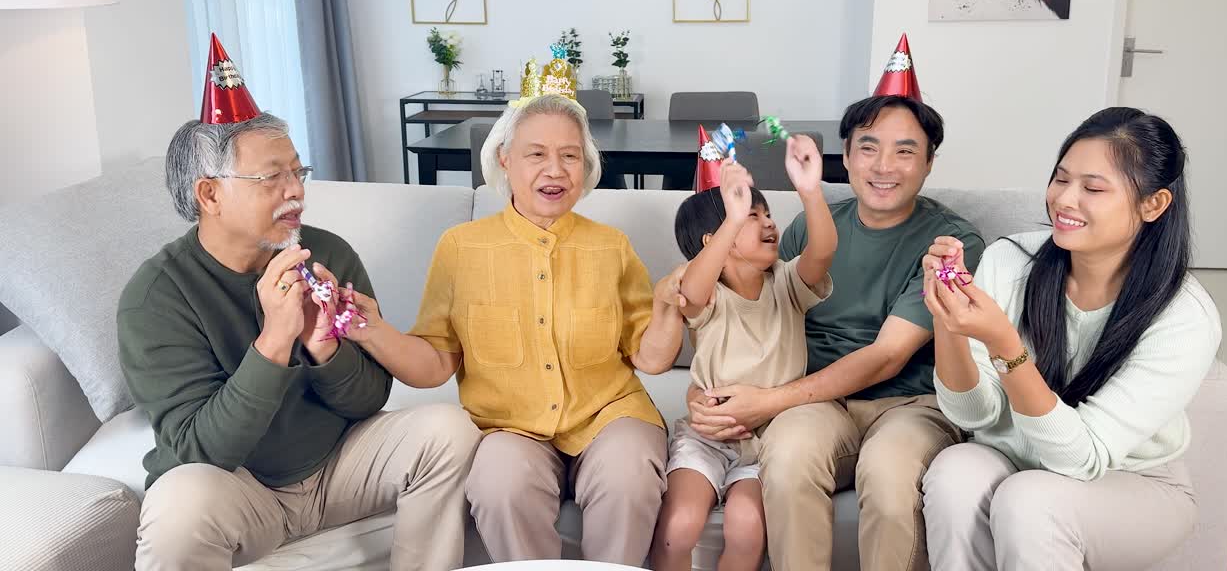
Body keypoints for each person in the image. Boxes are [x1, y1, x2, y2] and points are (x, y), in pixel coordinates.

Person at [120, 35, 479, 571]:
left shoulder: (326, 253)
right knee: (178, 506)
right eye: (272, 178)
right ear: (209, 195)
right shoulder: (155, 298)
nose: (296, 191)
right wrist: (274, 342)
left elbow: (367, 402)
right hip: (242, 489)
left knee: (449, 431)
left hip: (337, 468)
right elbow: (202, 453)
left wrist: (324, 352)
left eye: (298, 172)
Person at [348, 92, 687, 564]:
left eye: (570, 156)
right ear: (505, 160)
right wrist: (372, 331)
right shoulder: (461, 248)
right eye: (537, 154)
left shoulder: (611, 247)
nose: (555, 170)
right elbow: (435, 363)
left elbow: (649, 358)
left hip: (610, 416)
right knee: (499, 483)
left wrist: (671, 309)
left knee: (630, 474)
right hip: (510, 427)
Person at [686, 93, 987, 570]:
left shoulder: (953, 240)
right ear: (846, 157)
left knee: (889, 472)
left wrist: (769, 401)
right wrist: (705, 394)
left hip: (909, 404)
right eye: (868, 148)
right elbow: (752, 323)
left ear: (929, 163)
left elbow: (887, 356)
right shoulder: (811, 226)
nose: (884, 165)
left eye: (905, 151)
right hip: (814, 404)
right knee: (787, 459)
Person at [920, 107, 1220, 570]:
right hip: (1018, 458)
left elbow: (1083, 458)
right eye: (1061, 179)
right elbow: (973, 412)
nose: (1065, 199)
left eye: (1093, 188)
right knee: (957, 469)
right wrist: (948, 319)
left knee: (1031, 499)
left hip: (1131, 481)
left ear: (1153, 204)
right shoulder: (1010, 260)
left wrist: (1006, 345)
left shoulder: (1184, 316)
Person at [651, 137, 837, 571]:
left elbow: (823, 251)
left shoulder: (788, 283)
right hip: (706, 437)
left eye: (766, 213)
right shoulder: (705, 294)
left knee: (747, 526)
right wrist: (734, 219)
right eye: (753, 216)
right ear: (714, 239)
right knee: (679, 526)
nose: (769, 223)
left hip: (768, 439)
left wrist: (811, 190)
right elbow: (693, 288)